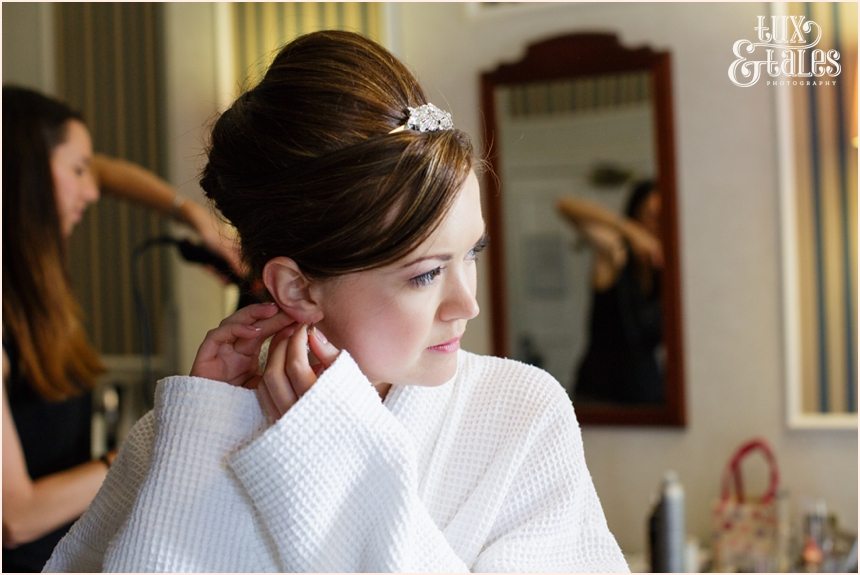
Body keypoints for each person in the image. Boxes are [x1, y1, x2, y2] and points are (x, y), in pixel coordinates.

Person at [45, 31, 629, 572]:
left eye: (470, 254)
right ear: (297, 288)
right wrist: (202, 436)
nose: (466, 304)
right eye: (426, 275)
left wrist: (344, 458)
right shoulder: (184, 431)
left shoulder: (519, 415)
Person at [1, 85, 242, 572]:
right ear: (23, 175)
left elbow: (105, 175)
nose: (93, 190)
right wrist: (144, 449)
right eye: (77, 171)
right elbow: (14, 517)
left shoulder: (23, 292)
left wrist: (190, 216)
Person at [556, 180, 665, 404]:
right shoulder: (614, 252)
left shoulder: (664, 270)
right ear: (635, 216)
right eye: (650, 215)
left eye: (662, 217)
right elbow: (565, 205)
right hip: (601, 392)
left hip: (647, 392)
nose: (656, 225)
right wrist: (628, 230)